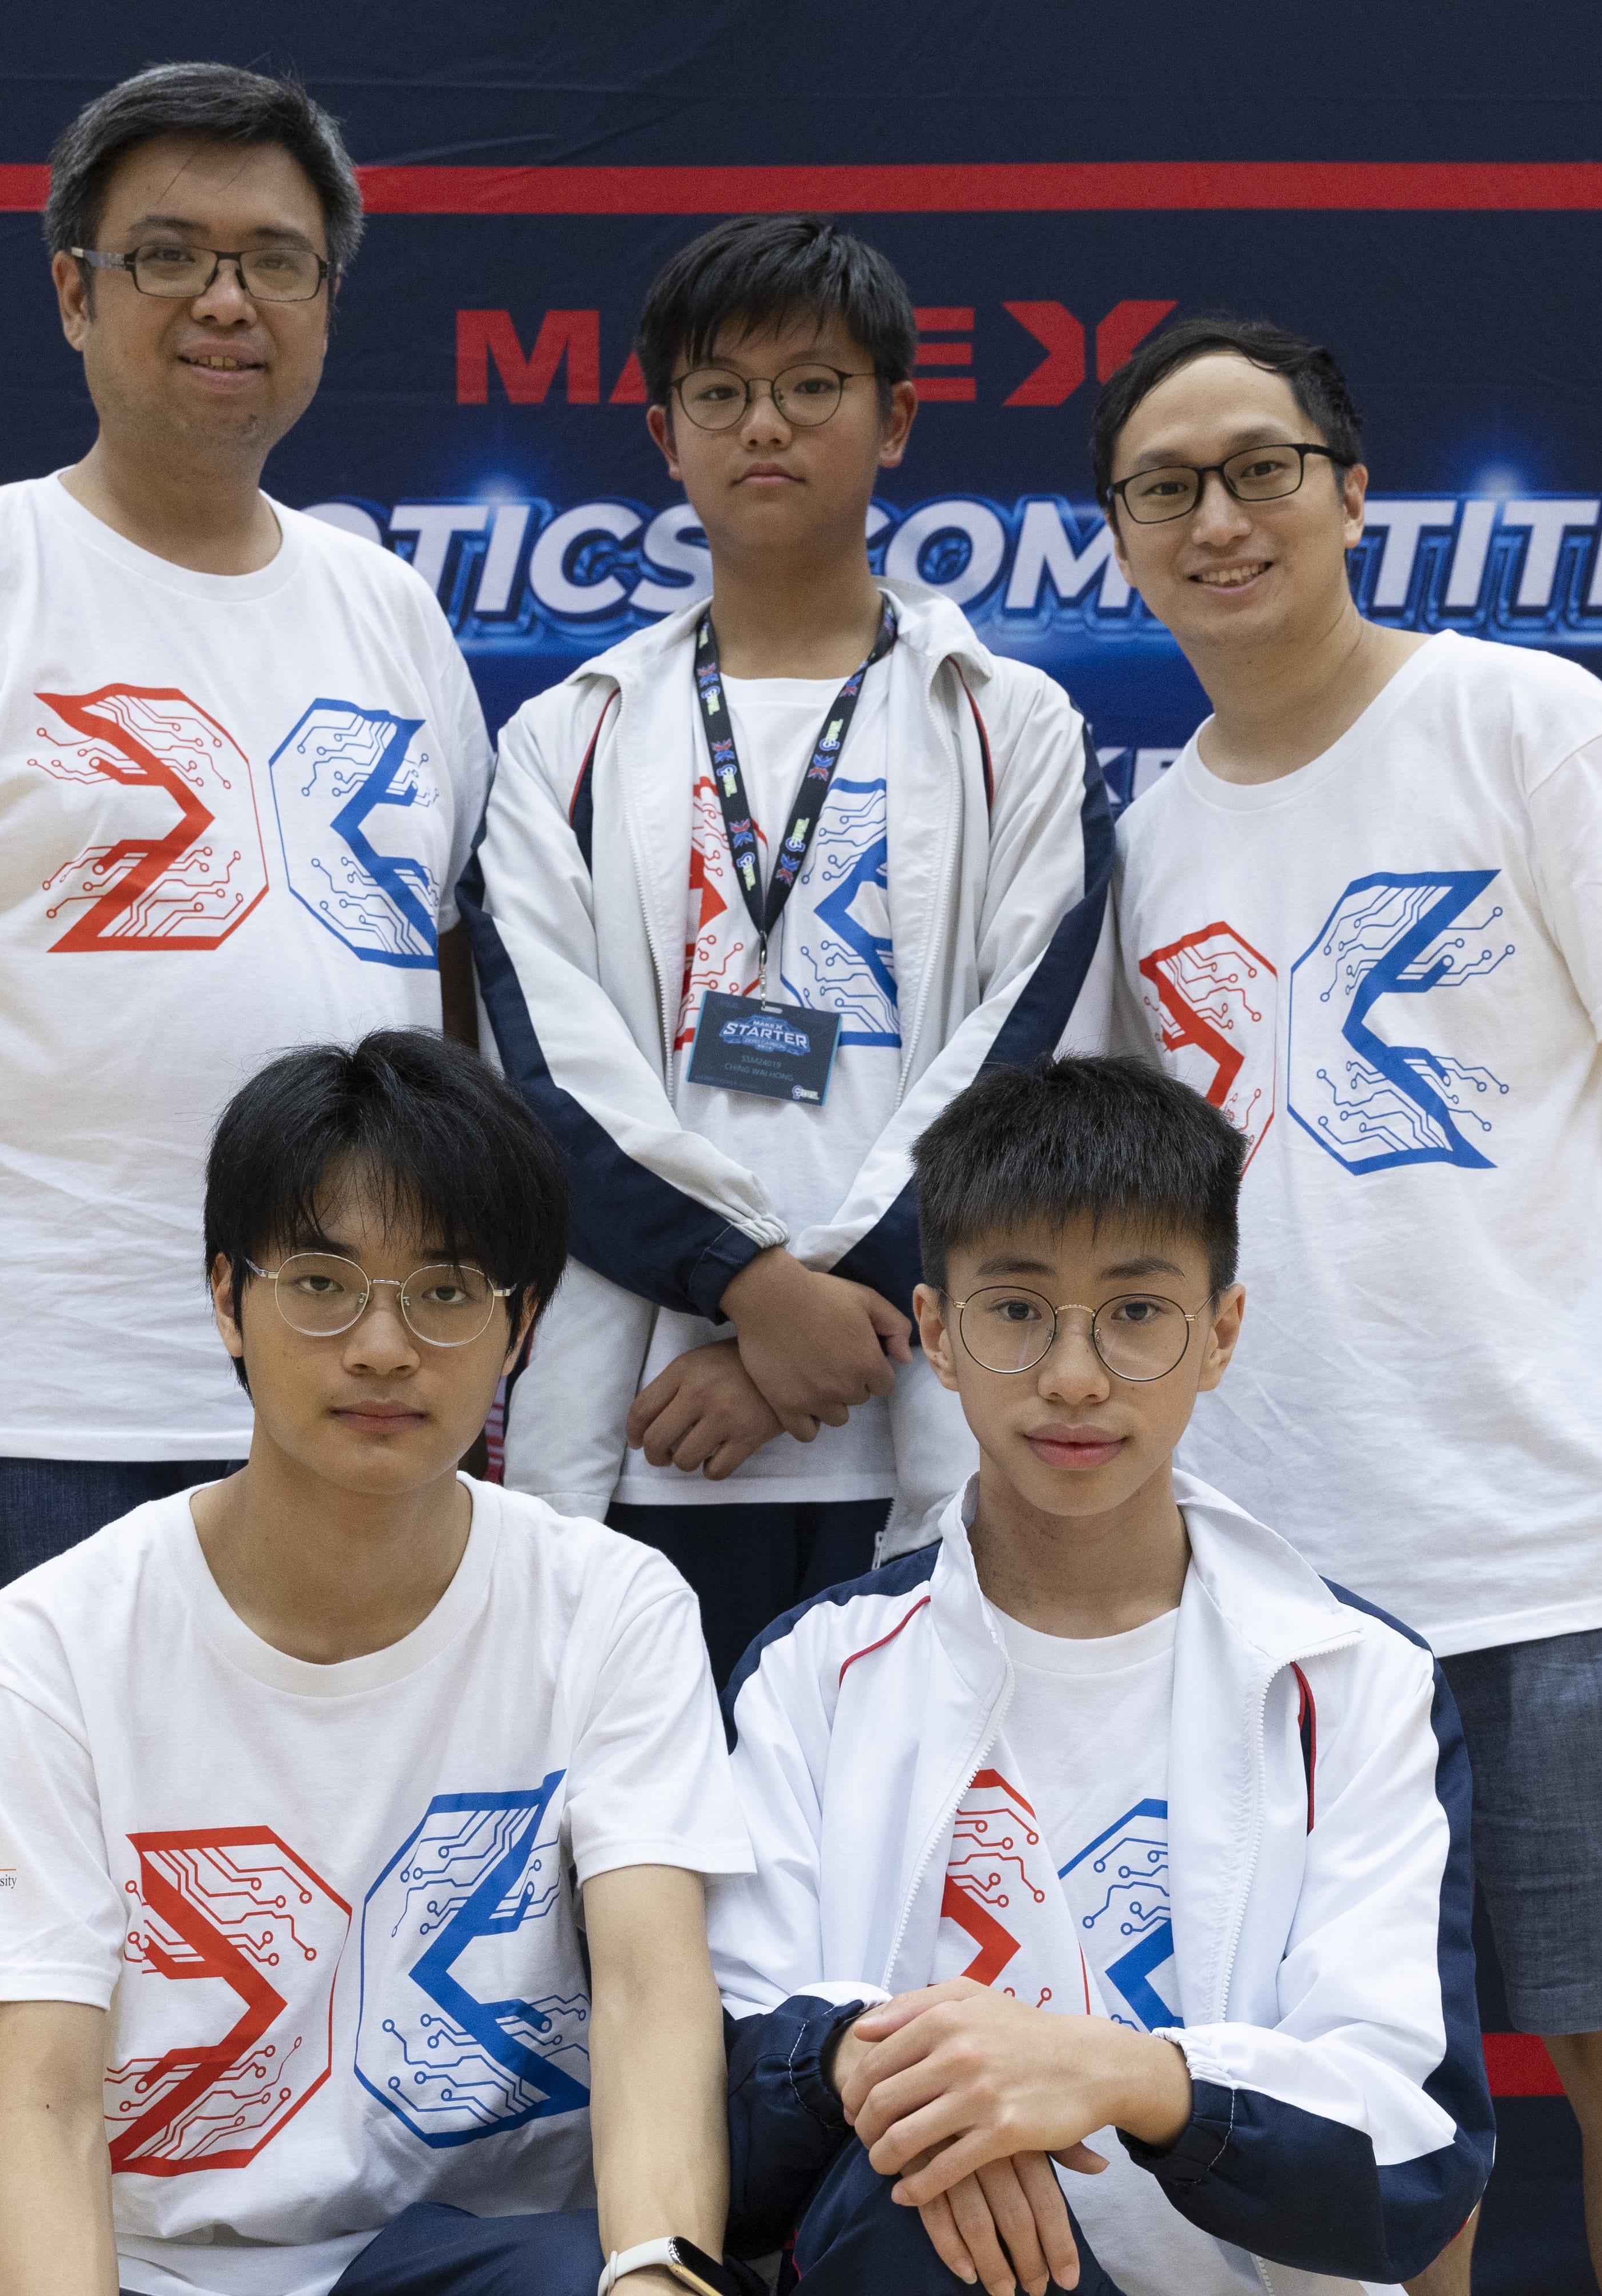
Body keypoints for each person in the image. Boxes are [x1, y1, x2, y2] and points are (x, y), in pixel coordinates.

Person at [0, 63, 495, 2288]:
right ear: (76, 295)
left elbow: (453, 1026)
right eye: (168, 257)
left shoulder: (386, 615)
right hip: (37, 1431)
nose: (224, 301)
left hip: (355, 1418)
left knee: (331, 1962)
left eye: (274, 261)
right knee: (28, 1993)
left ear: (329, 303)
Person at [1089, 317, 1602, 2296]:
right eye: (1166, 488)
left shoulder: (1524, 723)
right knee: (1370, 2098)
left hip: (1559, 1552)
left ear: (1352, 488)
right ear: (1122, 536)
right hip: (1282, 1577)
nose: (1220, 518)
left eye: (1263, 467)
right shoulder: (1152, 839)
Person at [0, 1031, 751, 2296]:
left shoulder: (613, 1607)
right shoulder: (53, 1642)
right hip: (149, 2262)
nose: (383, 1346)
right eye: (322, 1283)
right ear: (226, 1297)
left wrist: (657, 2280)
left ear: (521, 1326)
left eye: (446, 1290)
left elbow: (648, 1989)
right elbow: (44, 2104)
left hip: (472, 2259)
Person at [707, 1054, 1492, 2296]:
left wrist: (1130, 2078)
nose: (1074, 1375)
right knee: (915, 2205)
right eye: (1018, 1310)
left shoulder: (1354, 1680)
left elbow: (1412, 2156)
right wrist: (918, 2089)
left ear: (1220, 1334)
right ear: (939, 1334)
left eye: (1135, 1313)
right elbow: (727, 2126)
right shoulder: (815, 1672)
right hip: (924, 2267)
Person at [466, 213, 1113, 1678]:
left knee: (917, 1815)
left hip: (929, 1418)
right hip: (646, 1434)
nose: (765, 424)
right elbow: (545, 1082)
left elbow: (1027, 1061)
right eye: (720, 392)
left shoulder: (1011, 726)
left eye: (813, 385)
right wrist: (754, 1291)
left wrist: (811, 1337)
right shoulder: (566, 740)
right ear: (665, 434)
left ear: (897, 419)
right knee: (644, 1814)